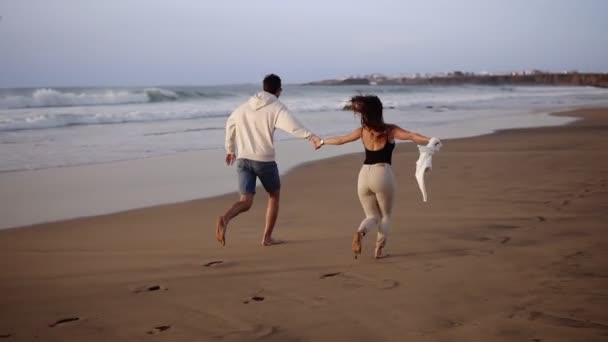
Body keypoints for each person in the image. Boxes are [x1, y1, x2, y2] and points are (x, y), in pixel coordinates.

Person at [315, 95, 438, 259]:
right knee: (385, 216)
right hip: (382, 173)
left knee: (371, 216)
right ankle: (378, 251)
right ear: (379, 111)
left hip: (363, 175)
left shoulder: (362, 131)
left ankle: (360, 232)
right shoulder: (390, 130)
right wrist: (431, 140)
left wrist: (321, 141)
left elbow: (341, 140)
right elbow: (411, 136)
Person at [217, 74, 320, 247]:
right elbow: (293, 126)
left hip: (243, 158)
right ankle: (267, 238)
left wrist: (229, 149)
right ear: (279, 90)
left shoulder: (243, 107)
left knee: (245, 201)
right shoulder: (277, 107)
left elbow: (230, 123)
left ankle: (225, 218)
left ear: (263, 87)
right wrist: (311, 137)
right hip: (264, 160)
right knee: (274, 196)